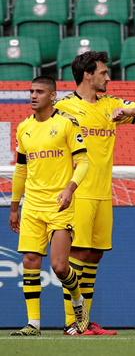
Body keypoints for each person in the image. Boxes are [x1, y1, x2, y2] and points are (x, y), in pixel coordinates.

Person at [54, 51, 135, 335]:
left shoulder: (111, 104)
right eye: (103, 73)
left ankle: (83, 319)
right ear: (87, 75)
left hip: (103, 193)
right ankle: (71, 322)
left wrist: (130, 111)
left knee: (95, 255)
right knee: (77, 253)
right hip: (79, 193)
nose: (108, 77)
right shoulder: (63, 107)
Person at [9, 76, 90, 336]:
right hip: (32, 205)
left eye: (39, 91)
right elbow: (21, 169)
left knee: (59, 267)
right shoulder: (24, 128)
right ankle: (33, 324)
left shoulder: (66, 124)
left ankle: (78, 302)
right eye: (31, 91)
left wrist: (70, 188)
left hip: (59, 205)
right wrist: (14, 206)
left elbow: (84, 162)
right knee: (30, 261)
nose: (33, 95)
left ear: (52, 96)